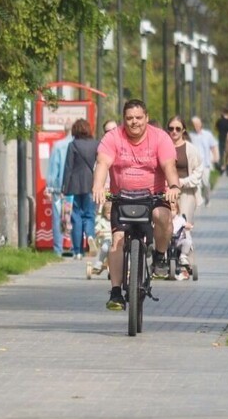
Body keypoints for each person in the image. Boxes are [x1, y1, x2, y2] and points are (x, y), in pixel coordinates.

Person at [91, 99, 181, 310]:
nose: (134, 122)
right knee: (117, 241)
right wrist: (98, 186)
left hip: (153, 196)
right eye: (129, 118)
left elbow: (169, 165)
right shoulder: (113, 137)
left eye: (139, 118)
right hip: (122, 197)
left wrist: (174, 186)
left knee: (162, 217)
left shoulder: (160, 138)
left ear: (146, 118)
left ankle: (159, 256)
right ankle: (115, 293)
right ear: (124, 120)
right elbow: (103, 163)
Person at [61, 118, 99, 259]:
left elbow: (68, 167)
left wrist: (65, 187)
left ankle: (77, 251)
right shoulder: (96, 144)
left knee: (76, 216)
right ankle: (89, 236)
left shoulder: (73, 145)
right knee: (89, 215)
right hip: (91, 184)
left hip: (75, 186)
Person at [166, 115, 206, 225]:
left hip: (186, 193)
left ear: (183, 130)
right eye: (171, 128)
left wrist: (183, 182)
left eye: (178, 129)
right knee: (167, 227)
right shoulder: (163, 148)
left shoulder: (191, 149)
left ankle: (186, 243)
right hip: (166, 192)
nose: (174, 131)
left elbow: (198, 170)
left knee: (183, 226)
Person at [47, 123, 73, 256]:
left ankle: (58, 249)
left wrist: (50, 187)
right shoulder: (78, 145)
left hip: (59, 187)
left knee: (58, 218)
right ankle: (76, 248)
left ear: (65, 130)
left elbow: (54, 169)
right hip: (75, 187)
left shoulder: (58, 145)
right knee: (73, 216)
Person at [189, 116, 218, 207]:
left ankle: (207, 198)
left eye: (197, 124)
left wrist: (215, 156)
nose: (195, 126)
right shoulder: (191, 135)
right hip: (194, 164)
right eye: (194, 125)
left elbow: (213, 146)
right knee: (197, 183)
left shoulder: (207, 135)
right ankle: (199, 201)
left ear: (201, 124)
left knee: (205, 183)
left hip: (205, 163)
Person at [170, 202, 193, 280]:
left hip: (178, 241)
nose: (171, 212)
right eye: (169, 210)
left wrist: (188, 226)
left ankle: (183, 256)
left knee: (187, 242)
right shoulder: (165, 219)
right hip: (167, 242)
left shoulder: (180, 219)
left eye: (173, 210)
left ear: (177, 211)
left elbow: (186, 224)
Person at [89, 201, 112, 277]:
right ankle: (99, 262)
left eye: (111, 213)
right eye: (108, 213)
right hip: (106, 239)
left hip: (115, 240)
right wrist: (99, 232)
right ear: (104, 213)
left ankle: (127, 265)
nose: (110, 215)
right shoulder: (102, 221)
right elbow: (96, 229)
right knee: (105, 248)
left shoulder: (115, 221)